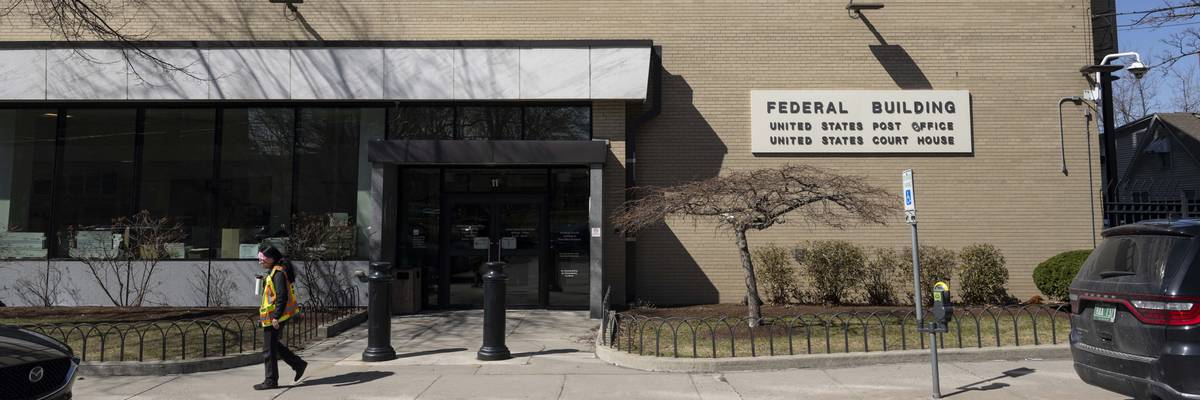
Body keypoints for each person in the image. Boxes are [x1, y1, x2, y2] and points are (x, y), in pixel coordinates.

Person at [254, 246, 307, 390]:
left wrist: (276, 317)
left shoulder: (277, 273)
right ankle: (298, 364)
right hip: (275, 316)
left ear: (271, 259)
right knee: (272, 346)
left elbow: (282, 297)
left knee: (268, 349)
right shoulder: (273, 272)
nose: (260, 262)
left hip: (276, 317)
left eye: (262, 259)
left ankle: (271, 381)